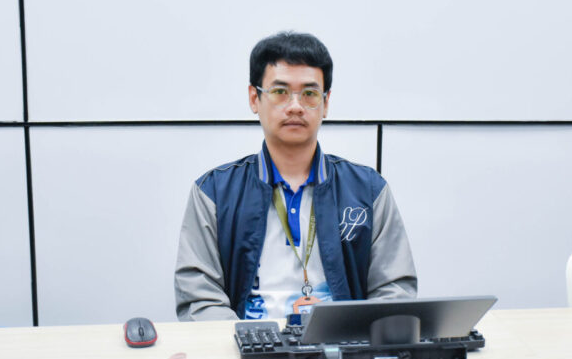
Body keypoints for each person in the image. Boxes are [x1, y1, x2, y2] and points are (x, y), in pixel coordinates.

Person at [174, 32, 416, 321]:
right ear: (254, 98)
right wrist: (242, 339)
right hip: (244, 342)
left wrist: (353, 337)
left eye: (310, 94)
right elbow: (199, 298)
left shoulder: (368, 191)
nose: (295, 106)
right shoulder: (213, 192)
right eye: (280, 92)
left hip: (338, 343)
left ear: (326, 103)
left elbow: (395, 291)